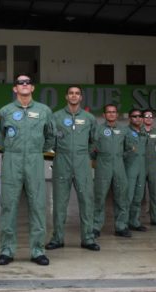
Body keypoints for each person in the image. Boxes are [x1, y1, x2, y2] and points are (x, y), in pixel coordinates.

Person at [0, 75, 55, 266]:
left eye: (27, 82)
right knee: (8, 206)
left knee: (38, 206)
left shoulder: (44, 111)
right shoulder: (5, 111)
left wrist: (37, 151)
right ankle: (7, 250)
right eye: (20, 83)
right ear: (15, 88)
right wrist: (12, 150)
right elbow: (1, 137)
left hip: (35, 159)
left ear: (33, 88)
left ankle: (38, 250)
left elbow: (51, 136)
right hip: (12, 160)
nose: (24, 85)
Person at [46, 86, 99, 251]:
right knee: (60, 202)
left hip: (83, 162)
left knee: (87, 202)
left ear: (81, 97)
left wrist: (85, 154)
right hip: (62, 160)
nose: (74, 96)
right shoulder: (56, 117)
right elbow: (50, 138)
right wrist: (61, 152)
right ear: (66, 96)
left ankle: (88, 239)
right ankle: (57, 238)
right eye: (71, 93)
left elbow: (94, 140)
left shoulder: (89, 118)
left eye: (77, 93)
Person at [91, 104, 133, 237]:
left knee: (122, 197)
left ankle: (121, 226)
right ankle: (96, 226)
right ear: (104, 115)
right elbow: (91, 149)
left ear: (117, 114)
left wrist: (120, 157)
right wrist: (101, 157)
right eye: (108, 112)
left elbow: (129, 148)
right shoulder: (97, 130)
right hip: (103, 166)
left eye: (114, 112)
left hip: (119, 167)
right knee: (99, 197)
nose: (111, 114)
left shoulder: (124, 130)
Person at [124, 108, 149, 232]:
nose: (138, 118)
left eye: (140, 116)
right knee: (127, 197)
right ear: (130, 118)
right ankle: (123, 223)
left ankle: (134, 221)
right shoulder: (125, 132)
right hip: (130, 167)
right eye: (134, 116)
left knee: (138, 197)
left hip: (142, 168)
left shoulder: (144, 132)